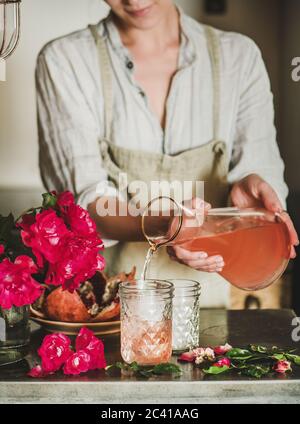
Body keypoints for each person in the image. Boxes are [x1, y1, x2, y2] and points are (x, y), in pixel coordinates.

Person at [36, 0, 298, 307]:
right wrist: (163, 225)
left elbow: (259, 162)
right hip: (107, 309)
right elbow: (87, 204)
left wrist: (249, 191)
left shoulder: (239, 57)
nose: (133, 0)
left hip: (209, 304)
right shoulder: (65, 60)